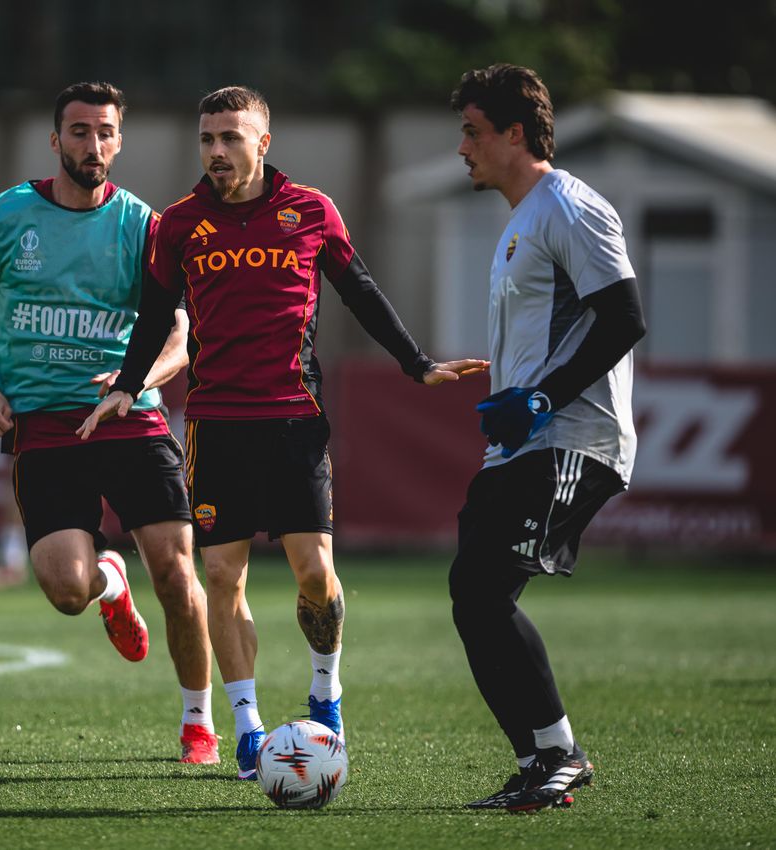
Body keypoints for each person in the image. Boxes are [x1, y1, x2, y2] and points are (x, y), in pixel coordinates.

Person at [79, 86, 487, 780]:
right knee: (220, 575)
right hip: (216, 424)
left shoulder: (311, 211)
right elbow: (154, 314)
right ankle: (246, 727)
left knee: (316, 577)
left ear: (263, 144)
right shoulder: (179, 225)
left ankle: (325, 693)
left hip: (295, 420)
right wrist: (126, 383)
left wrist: (415, 363)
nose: (216, 151)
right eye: (207, 139)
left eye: (230, 138)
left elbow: (360, 290)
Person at [0, 81, 219, 764]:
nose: (92, 145)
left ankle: (199, 724)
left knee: (178, 574)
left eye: (104, 132)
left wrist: (133, 384)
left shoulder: (144, 226)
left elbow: (181, 337)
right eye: (78, 131)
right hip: (43, 426)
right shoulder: (7, 217)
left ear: (119, 141)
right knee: (67, 591)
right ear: (54, 139)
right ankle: (108, 583)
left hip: (132, 421)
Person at [447, 64, 647, 812]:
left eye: (472, 131)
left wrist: (537, 398)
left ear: (514, 134)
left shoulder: (569, 205)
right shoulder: (520, 222)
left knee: (485, 589)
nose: (462, 147)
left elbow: (625, 316)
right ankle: (539, 760)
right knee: (471, 591)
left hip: (571, 437)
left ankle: (559, 753)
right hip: (525, 441)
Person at [0, 469, 31, 589]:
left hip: (16, 533)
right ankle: (8, 572)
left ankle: (9, 573)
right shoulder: (7, 531)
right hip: (12, 532)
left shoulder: (15, 532)